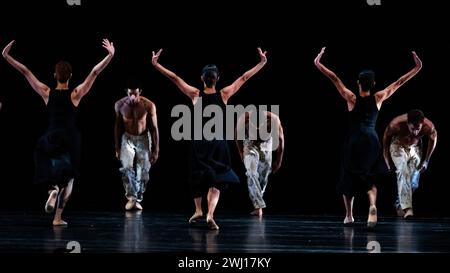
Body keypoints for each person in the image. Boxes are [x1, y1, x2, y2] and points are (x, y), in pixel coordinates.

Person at [152, 48, 267, 230]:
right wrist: (261, 63)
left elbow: (174, 78)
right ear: (217, 79)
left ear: (202, 78)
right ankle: (210, 214)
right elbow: (244, 78)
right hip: (219, 144)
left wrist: (156, 64)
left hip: (199, 144)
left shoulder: (195, 95)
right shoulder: (224, 94)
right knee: (217, 180)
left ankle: (198, 210)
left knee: (197, 176)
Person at [2, 39, 114, 225]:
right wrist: (109, 55)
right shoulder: (76, 94)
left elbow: (25, 71)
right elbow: (94, 72)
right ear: (70, 76)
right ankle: (58, 217)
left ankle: (52, 189)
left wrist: (7, 56)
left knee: (52, 171)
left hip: (50, 137)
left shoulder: (47, 92)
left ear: (55, 75)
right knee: (69, 181)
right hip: (70, 139)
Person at [314, 47, 422, 227]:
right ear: (373, 84)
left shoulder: (351, 98)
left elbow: (335, 79)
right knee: (370, 177)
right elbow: (399, 82)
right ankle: (372, 206)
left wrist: (318, 63)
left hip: (354, 140)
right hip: (371, 140)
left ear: (358, 83)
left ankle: (349, 215)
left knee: (348, 177)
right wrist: (417, 68)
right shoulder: (378, 97)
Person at [383, 109, 437, 218]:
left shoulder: (429, 126)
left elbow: (433, 139)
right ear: (408, 123)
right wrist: (386, 158)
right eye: (412, 128)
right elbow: (386, 137)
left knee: (413, 182)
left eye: (418, 129)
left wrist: (426, 161)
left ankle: (399, 203)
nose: (415, 132)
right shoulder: (396, 124)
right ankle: (408, 208)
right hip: (398, 145)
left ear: (422, 124)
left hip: (415, 147)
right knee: (403, 170)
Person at [115, 80, 159, 211]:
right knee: (126, 168)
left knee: (144, 170)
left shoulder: (148, 105)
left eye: (135, 94)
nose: (132, 97)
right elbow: (117, 127)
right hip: (127, 138)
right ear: (127, 93)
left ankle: (138, 197)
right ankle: (131, 198)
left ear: (140, 92)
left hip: (144, 138)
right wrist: (117, 147)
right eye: (130, 94)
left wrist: (156, 149)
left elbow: (154, 128)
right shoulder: (120, 105)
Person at [235, 111, 284, 217]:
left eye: (259, 126)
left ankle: (257, 202)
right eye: (254, 126)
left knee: (264, 176)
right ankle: (258, 206)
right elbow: (238, 136)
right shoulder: (243, 118)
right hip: (250, 144)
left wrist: (279, 161)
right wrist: (241, 152)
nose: (257, 129)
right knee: (251, 173)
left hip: (266, 144)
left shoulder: (274, 120)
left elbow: (281, 140)